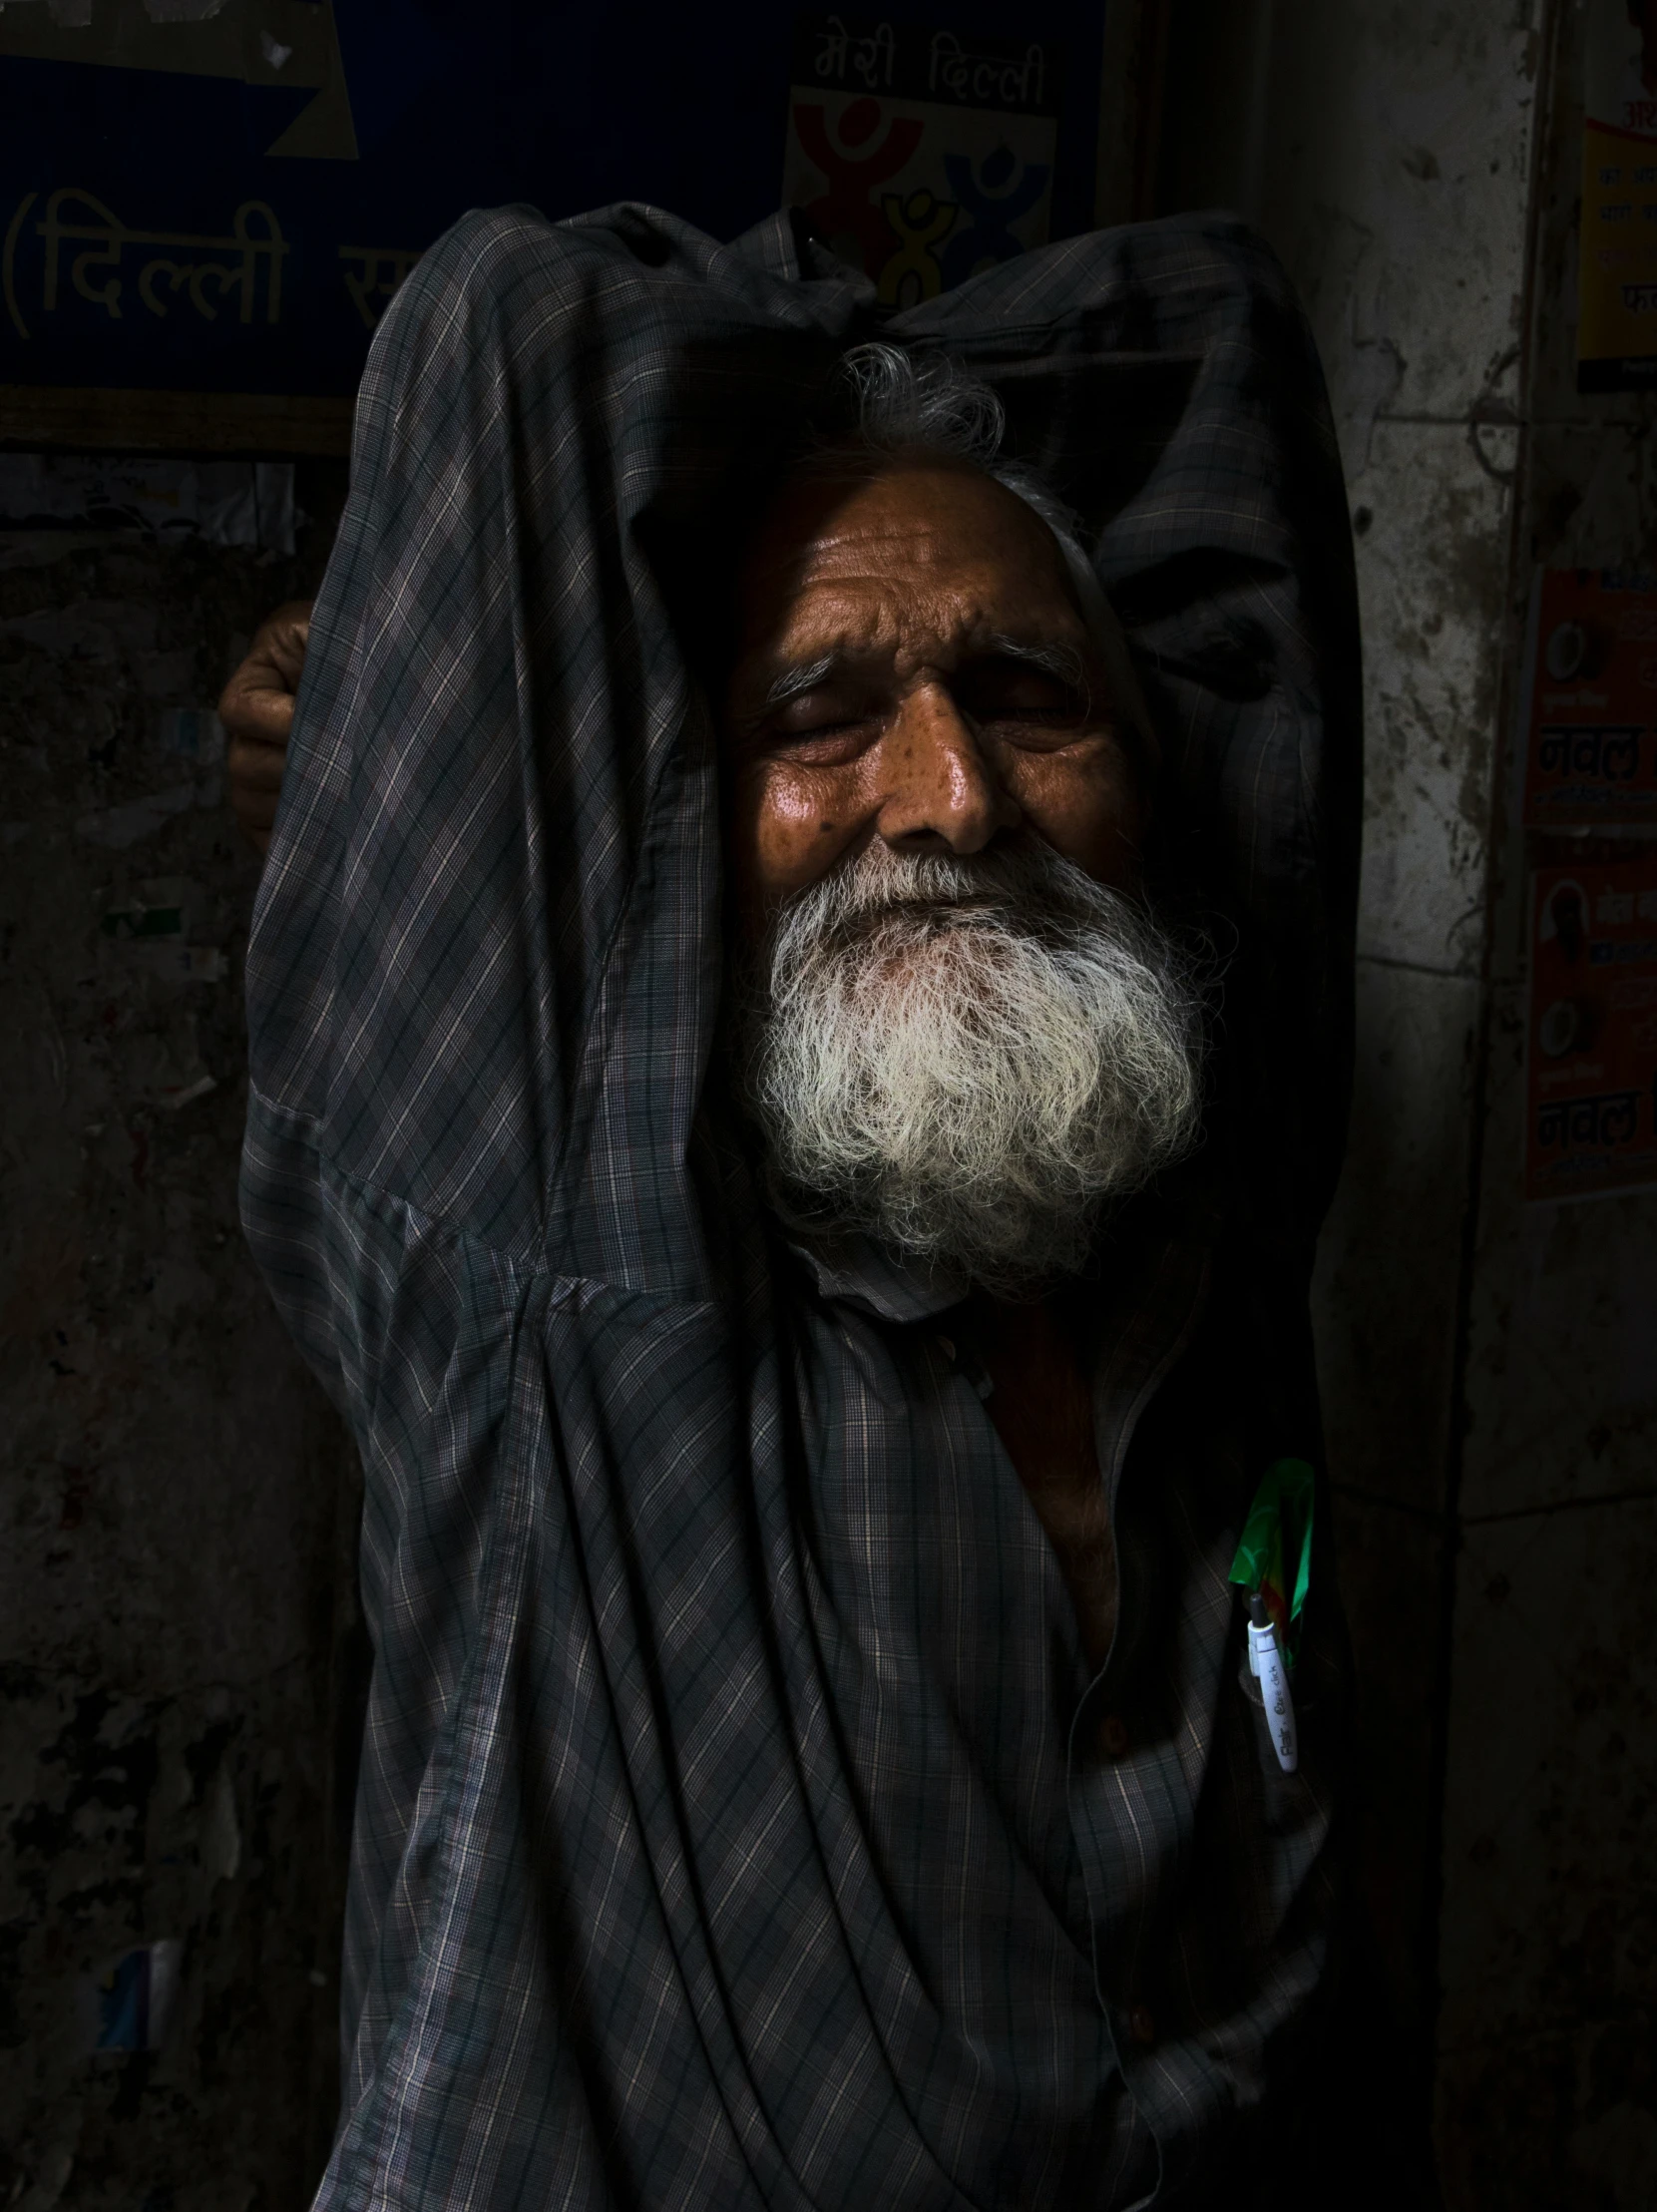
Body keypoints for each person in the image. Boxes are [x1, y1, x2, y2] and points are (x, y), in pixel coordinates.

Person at [228, 202, 1365, 2210]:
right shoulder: (563, 1278)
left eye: (1024, 694)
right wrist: (833, 359)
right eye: (816, 716)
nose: (949, 792)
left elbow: (1218, 328)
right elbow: (521, 331)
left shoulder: (1195, 1186)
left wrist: (895, 404)